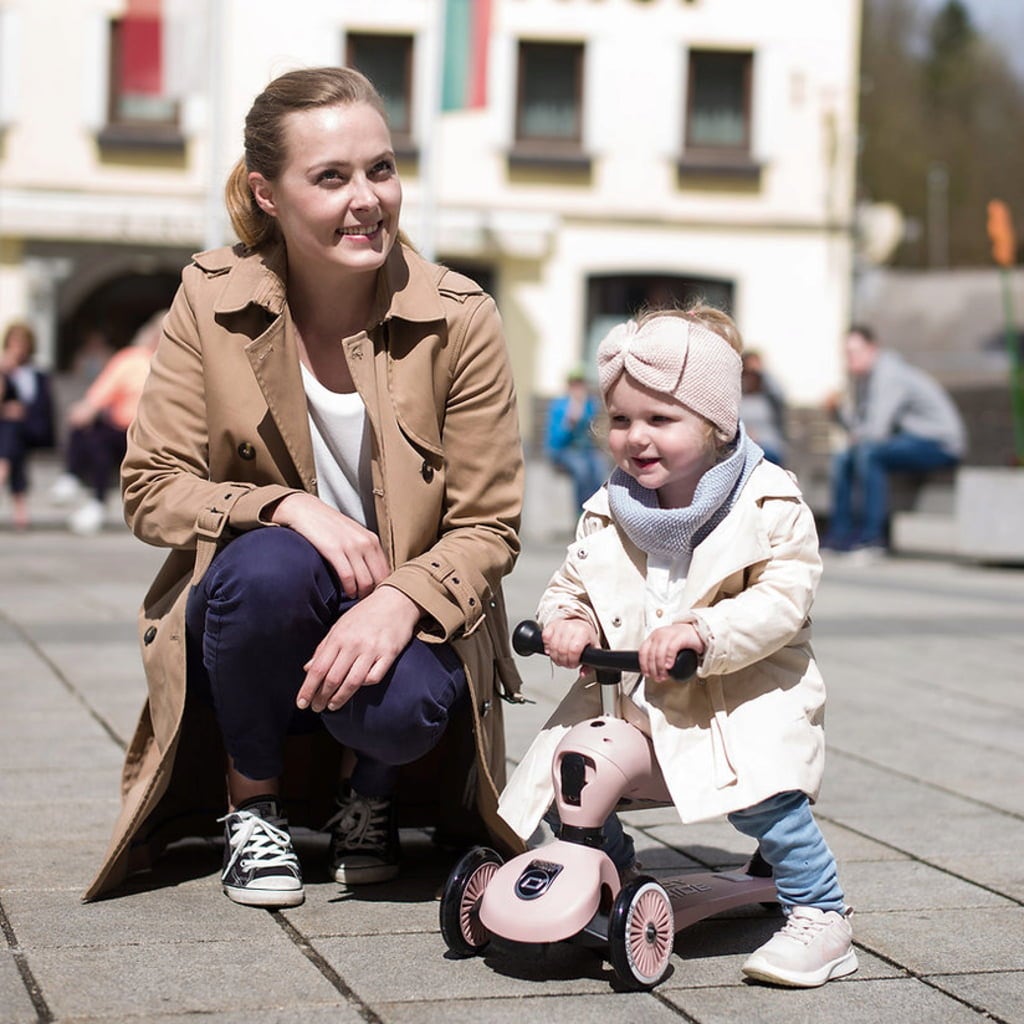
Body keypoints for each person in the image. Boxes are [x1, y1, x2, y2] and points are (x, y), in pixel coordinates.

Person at [83, 67, 525, 910]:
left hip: (409, 608)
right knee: (268, 567)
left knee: (397, 708)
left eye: (381, 169)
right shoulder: (209, 297)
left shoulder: (459, 315)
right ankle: (252, 806)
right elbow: (151, 486)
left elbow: (490, 525)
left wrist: (400, 601)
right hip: (268, 602)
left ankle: (371, 797)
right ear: (268, 193)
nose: (368, 200)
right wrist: (285, 506)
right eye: (331, 177)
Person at [498, 305, 858, 988]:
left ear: (716, 423)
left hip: (738, 694)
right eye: (621, 419)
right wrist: (567, 620)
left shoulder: (768, 502)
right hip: (634, 701)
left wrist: (704, 631)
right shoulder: (611, 508)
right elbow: (570, 583)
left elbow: (783, 598)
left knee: (765, 795)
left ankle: (820, 912)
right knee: (566, 779)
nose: (636, 437)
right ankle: (613, 869)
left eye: (661, 419)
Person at [822, 324, 966, 556]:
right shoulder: (867, 378)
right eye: (846, 354)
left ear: (872, 349)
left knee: (869, 455)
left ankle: (873, 539)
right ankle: (841, 536)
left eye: (854, 352)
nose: (849, 360)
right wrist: (838, 412)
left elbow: (876, 433)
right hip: (908, 440)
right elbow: (861, 429)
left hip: (939, 443)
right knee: (843, 458)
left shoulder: (889, 375)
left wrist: (856, 436)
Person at [49, 312, 163, 535]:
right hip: (124, 429)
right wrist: (87, 408)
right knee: (90, 434)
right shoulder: (131, 359)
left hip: (157, 434)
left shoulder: (177, 364)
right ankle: (80, 485)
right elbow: (103, 390)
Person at [0, 322, 55, 530]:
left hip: (31, 430)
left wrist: (22, 412)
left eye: (22, 344)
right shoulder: (4, 371)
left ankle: (2, 469)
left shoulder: (38, 375)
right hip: (8, 431)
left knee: (12, 431)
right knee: (12, 434)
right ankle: (20, 505)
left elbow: (43, 409)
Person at [545, 368, 608, 511]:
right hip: (564, 451)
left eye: (581, 384)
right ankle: (581, 510)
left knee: (599, 468)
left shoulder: (590, 405)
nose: (578, 388)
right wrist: (569, 422)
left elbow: (594, 432)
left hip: (586, 451)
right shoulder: (559, 406)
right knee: (582, 469)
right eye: (574, 385)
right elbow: (555, 441)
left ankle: (597, 509)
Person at [740, 349, 787, 467]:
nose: (751, 378)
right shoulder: (738, 398)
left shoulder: (769, 398)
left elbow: (781, 395)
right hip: (743, 446)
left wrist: (763, 372)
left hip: (768, 446)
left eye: (754, 374)